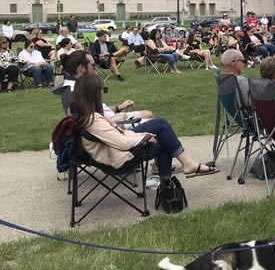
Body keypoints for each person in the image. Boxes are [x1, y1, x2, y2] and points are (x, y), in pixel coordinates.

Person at [71, 74, 218, 197]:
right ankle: (182, 170)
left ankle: (171, 179)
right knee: (161, 129)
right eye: (103, 89)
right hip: (119, 160)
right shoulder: (93, 121)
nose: (104, 92)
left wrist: (143, 134)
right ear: (94, 93)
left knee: (161, 133)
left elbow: (119, 135)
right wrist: (143, 138)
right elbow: (122, 142)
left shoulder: (88, 116)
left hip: (116, 151)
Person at [56, 50, 154, 122]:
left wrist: (119, 107)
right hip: (109, 127)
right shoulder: (78, 91)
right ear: (81, 68)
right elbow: (93, 122)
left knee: (149, 116)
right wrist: (120, 117)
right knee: (152, 120)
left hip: (107, 121)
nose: (95, 71)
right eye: (93, 66)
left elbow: (97, 109)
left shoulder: (74, 86)